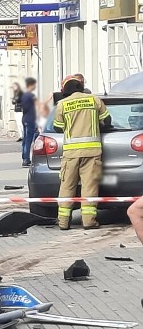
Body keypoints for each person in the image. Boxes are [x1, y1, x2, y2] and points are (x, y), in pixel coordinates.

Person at [53, 76, 111, 230]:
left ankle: (64, 223)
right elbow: (108, 120)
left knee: (67, 187)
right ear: (81, 88)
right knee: (89, 187)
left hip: (70, 154)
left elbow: (57, 127)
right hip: (92, 152)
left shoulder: (62, 104)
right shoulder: (94, 100)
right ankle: (89, 222)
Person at [21, 78, 38, 167]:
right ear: (31, 85)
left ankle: (24, 157)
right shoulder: (31, 96)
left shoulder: (23, 95)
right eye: (34, 85)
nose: (35, 86)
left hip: (25, 118)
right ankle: (26, 159)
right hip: (30, 119)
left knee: (25, 139)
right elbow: (39, 105)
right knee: (29, 140)